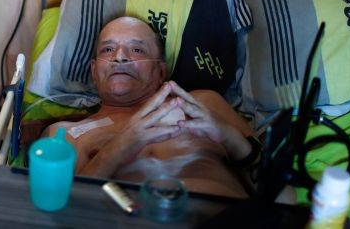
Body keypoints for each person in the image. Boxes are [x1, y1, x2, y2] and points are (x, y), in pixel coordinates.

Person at [41, 16, 258, 198]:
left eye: (137, 50)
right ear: (93, 71)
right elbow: (58, 207)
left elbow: (278, 187)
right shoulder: (64, 134)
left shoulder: (202, 103)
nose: (120, 57)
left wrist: (230, 138)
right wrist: (118, 147)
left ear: (160, 72)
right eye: (108, 49)